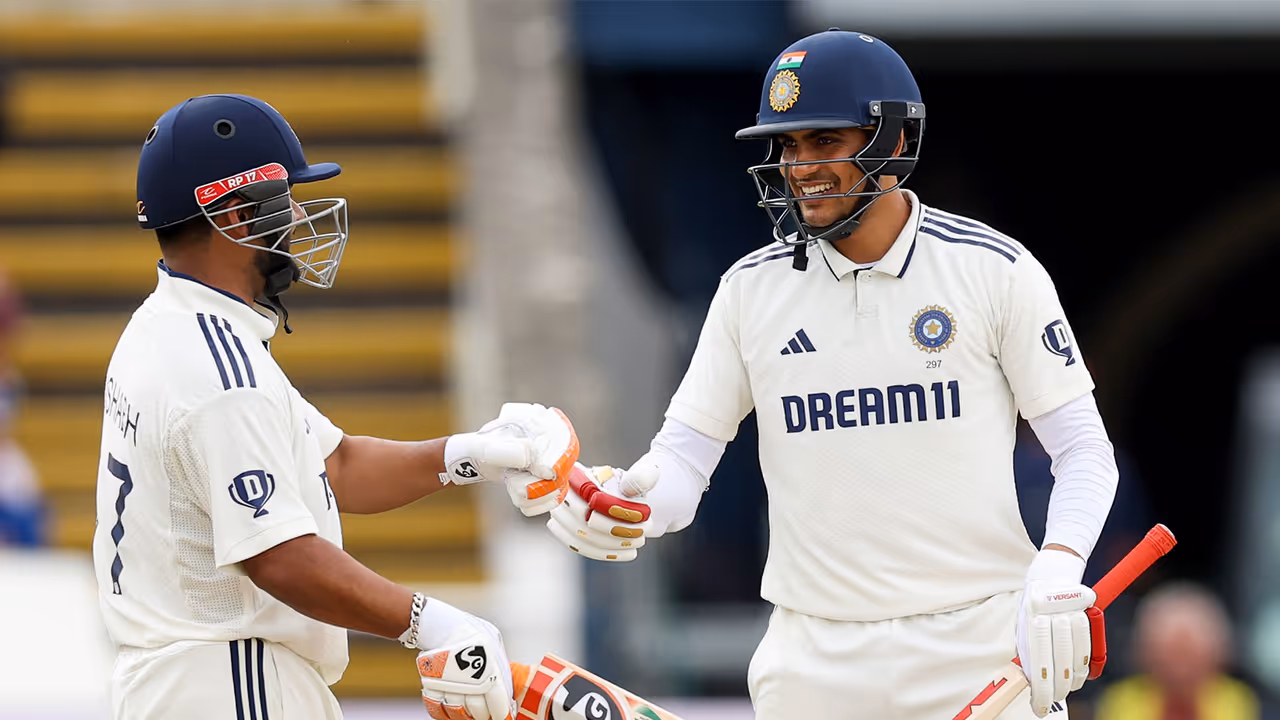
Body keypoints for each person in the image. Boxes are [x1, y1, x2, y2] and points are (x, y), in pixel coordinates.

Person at [539, 29, 1121, 719]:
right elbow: (685, 463)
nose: (799, 166)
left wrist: (1057, 567)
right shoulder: (749, 290)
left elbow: (1084, 450)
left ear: (896, 142)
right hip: (813, 660)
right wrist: (627, 504)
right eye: (787, 147)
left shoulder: (994, 270)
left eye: (823, 142)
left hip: (980, 645)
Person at [96, 94, 580, 720]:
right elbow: (279, 556)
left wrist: (470, 455)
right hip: (232, 679)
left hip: (190, 681)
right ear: (234, 218)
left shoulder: (173, 326)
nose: (299, 215)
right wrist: (429, 623)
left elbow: (336, 465)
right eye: (283, 199)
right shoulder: (219, 370)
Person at [1094, 582, 1260, 720]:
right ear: (1145, 653)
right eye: (1169, 654)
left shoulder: (1241, 702)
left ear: (1217, 653)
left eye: (1190, 655)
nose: (1180, 669)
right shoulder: (1119, 702)